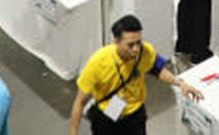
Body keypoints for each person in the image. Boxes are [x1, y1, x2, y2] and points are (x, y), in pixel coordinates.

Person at [69, 14, 203, 135]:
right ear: (116, 42)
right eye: (130, 45)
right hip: (107, 118)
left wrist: (180, 84)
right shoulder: (98, 62)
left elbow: (158, 70)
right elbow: (80, 102)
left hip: (135, 116)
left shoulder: (145, 51)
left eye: (138, 42)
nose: (136, 49)